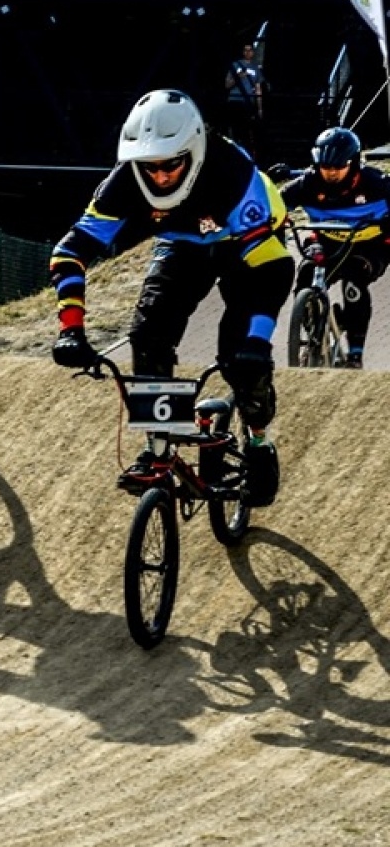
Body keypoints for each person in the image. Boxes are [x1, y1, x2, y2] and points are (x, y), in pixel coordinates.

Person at [49, 89, 292, 506]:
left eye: (171, 165)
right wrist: (70, 329)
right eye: (150, 166)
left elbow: (273, 269)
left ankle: (258, 440)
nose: (160, 176)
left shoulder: (231, 171)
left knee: (240, 356)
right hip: (182, 244)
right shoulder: (124, 181)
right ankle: (160, 442)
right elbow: (70, 251)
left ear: (193, 150)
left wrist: (258, 340)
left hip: (247, 243)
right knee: (148, 334)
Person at [280, 126, 390, 368]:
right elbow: (277, 203)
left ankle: (355, 355)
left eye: (338, 168)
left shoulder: (376, 183)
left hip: (369, 245)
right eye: (325, 167)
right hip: (328, 241)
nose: (330, 174)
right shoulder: (309, 182)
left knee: (354, 280)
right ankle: (313, 329)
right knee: (306, 275)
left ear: (353, 164)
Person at [224, 42, 266, 153]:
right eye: (245, 50)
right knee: (234, 129)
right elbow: (227, 84)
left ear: (252, 52)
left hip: (247, 103)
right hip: (234, 100)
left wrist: (260, 108)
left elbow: (258, 88)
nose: (247, 52)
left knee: (246, 130)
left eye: (250, 50)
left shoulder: (255, 68)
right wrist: (237, 77)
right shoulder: (235, 65)